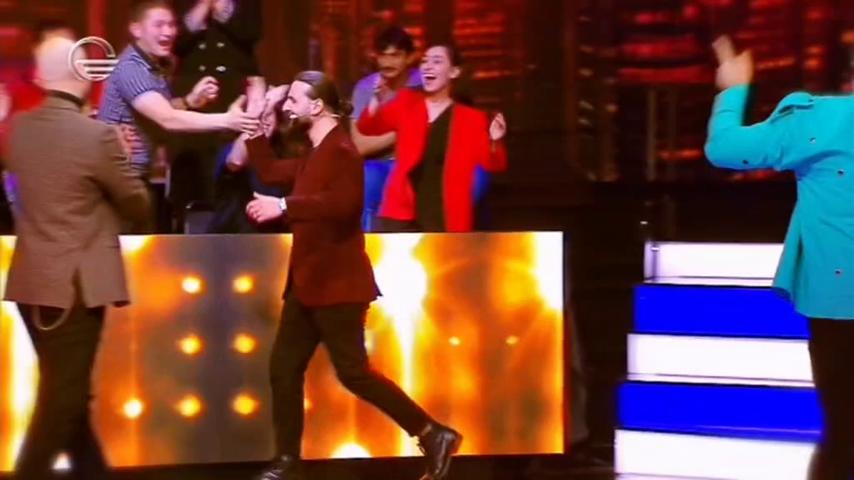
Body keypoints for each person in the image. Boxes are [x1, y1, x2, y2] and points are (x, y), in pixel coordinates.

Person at [239, 71, 462, 480]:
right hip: (307, 283)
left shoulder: (342, 151)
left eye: (294, 100)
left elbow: (342, 205)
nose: (288, 107)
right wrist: (256, 124)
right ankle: (287, 463)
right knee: (283, 369)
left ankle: (432, 433)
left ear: (316, 106)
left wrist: (283, 207)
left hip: (338, 285)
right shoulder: (314, 152)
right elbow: (269, 171)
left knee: (354, 372)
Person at [2, 36, 151, 480]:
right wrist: (123, 158)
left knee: (68, 397)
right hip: (75, 289)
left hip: (33, 285)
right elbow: (139, 206)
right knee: (62, 402)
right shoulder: (96, 136)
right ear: (83, 75)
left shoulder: (18, 130)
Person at [705, 36, 854, 480]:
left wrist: (733, 89)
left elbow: (725, 149)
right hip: (837, 303)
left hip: (839, 304)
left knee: (844, 434)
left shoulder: (819, 119)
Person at [97, 0, 259, 181]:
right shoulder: (132, 67)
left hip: (135, 174)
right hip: (118, 175)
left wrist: (189, 101)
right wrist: (227, 120)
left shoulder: (156, 65)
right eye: (159, 25)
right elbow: (167, 118)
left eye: (172, 25)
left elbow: (158, 107)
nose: (168, 32)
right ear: (137, 30)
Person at [357, 43, 508, 232]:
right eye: (424, 61)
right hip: (401, 211)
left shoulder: (471, 119)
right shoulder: (407, 103)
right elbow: (368, 127)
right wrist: (376, 100)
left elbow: (494, 164)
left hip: (445, 215)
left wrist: (495, 139)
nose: (427, 66)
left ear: (454, 72)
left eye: (436, 61)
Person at [170, 0, 268, 233]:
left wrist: (222, 7)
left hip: (235, 90)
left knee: (233, 166)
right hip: (194, 92)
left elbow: (250, 32)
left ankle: (235, 224)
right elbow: (177, 41)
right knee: (193, 168)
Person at [350, 25, 422, 231]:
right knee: (368, 179)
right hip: (378, 163)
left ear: (409, 57)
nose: (387, 63)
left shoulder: (423, 82)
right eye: (383, 55)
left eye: (395, 55)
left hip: (416, 162)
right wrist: (404, 132)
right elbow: (359, 146)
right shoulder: (366, 88)